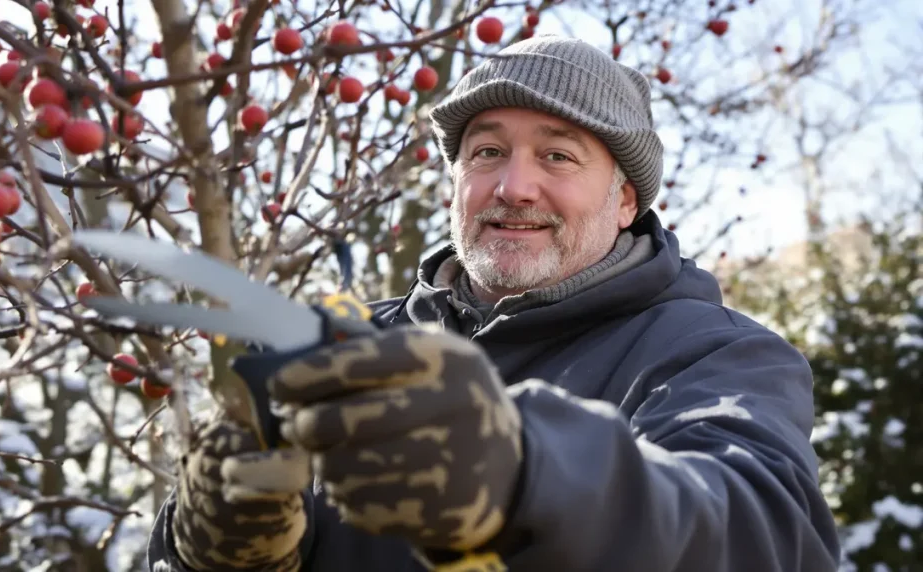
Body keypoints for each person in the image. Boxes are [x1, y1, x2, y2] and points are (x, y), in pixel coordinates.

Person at [147, 35, 841, 571]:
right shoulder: (350, 350)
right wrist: (204, 544)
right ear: (454, 183)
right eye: (486, 152)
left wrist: (531, 473)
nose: (513, 185)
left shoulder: (716, 355)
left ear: (626, 199)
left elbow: (761, 532)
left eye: (558, 156)